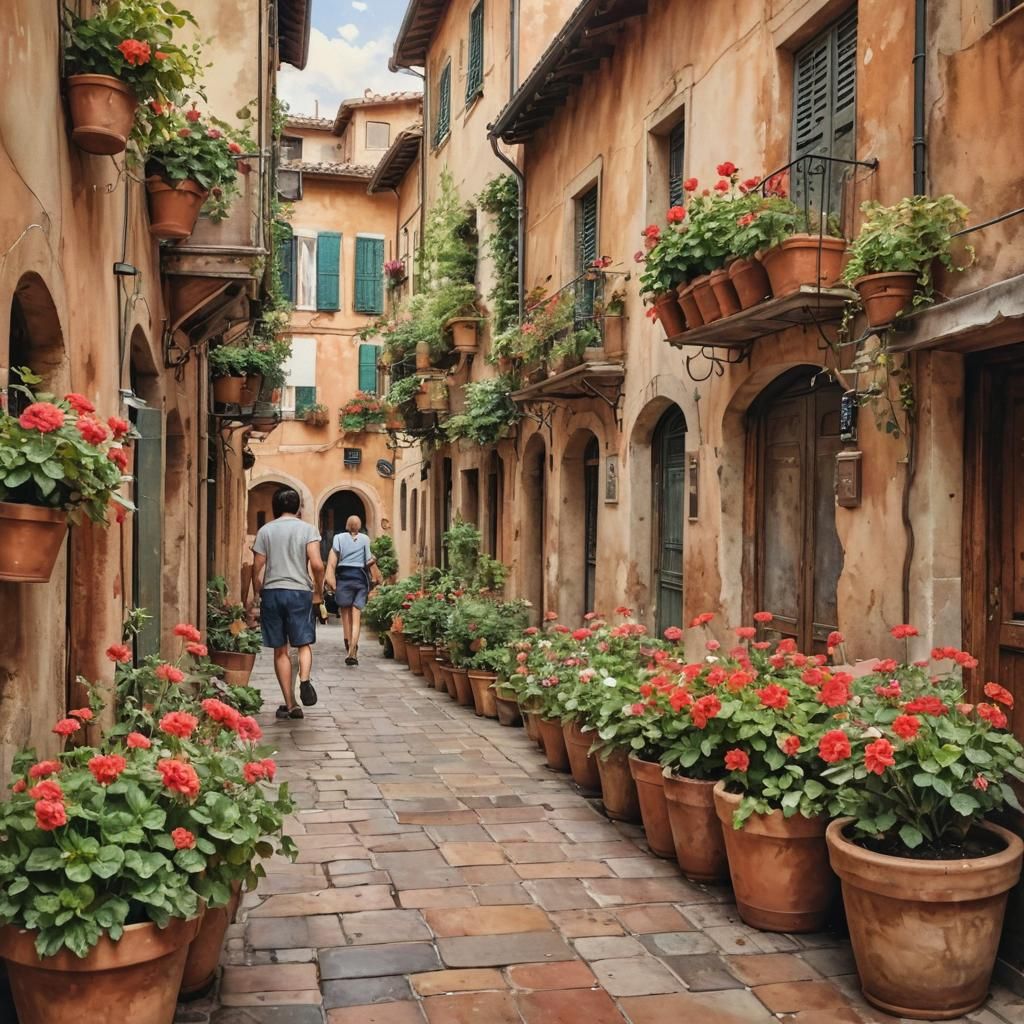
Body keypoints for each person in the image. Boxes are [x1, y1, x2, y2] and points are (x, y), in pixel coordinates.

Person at [251, 487, 324, 719]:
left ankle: (291, 704)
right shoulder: (308, 529)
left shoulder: (266, 531)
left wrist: (256, 593)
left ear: (275, 507)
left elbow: (257, 567)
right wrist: (318, 591)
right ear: (298, 508)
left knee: (280, 650)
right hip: (299, 592)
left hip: (273, 592)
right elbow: (317, 564)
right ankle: (304, 679)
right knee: (303, 644)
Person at [326, 515, 375, 666]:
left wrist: (331, 578)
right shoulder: (365, 539)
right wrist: (374, 561)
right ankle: (353, 648)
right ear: (359, 526)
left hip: (344, 577)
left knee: (346, 614)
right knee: (356, 615)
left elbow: (334, 558)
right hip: (360, 578)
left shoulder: (338, 538)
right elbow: (368, 559)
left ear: (347, 525)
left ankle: (348, 644)